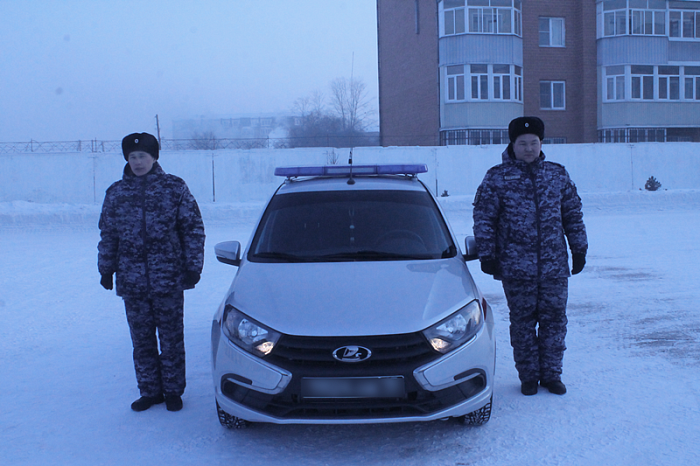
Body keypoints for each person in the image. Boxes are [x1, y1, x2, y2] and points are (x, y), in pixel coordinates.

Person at [472, 116, 587, 396]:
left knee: (554, 320)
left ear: (541, 143)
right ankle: (528, 376)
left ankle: (552, 374)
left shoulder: (556, 174)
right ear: (512, 144)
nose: (528, 149)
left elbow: (572, 214)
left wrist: (579, 248)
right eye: (522, 143)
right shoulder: (497, 177)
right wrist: (487, 254)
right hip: (516, 267)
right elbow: (484, 218)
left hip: (554, 266)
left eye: (533, 143)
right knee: (523, 323)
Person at [98, 132, 205, 412]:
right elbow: (109, 234)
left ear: (154, 157)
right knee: (141, 340)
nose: (137, 162)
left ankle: (173, 391)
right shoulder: (116, 193)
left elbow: (192, 228)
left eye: (142, 156)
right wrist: (106, 268)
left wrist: (193, 266)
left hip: (168, 278)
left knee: (171, 339)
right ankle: (150, 391)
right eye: (132, 157)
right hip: (132, 281)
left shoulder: (174, 188)